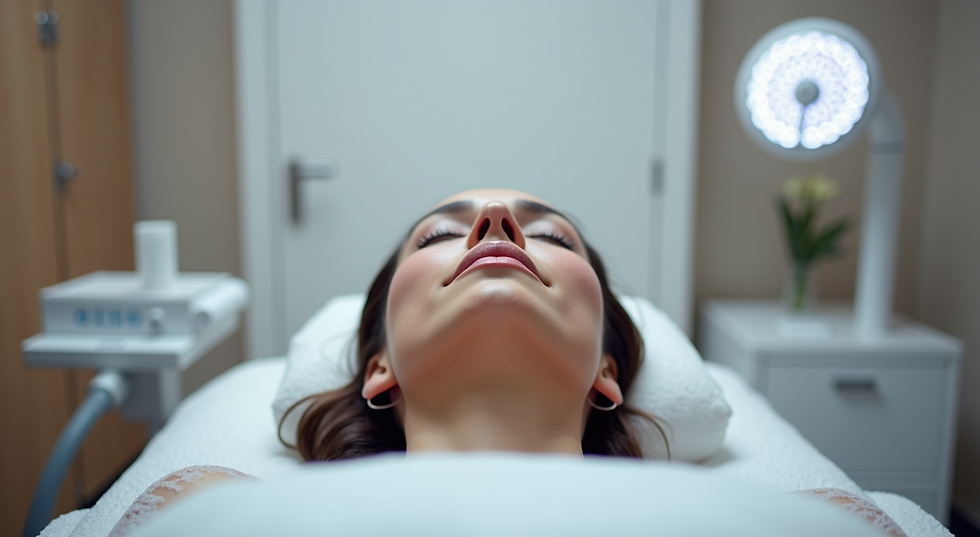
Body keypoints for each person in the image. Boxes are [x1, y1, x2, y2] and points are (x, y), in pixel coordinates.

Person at [109, 190, 906, 537]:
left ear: (607, 373)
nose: (495, 223)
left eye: (552, 234)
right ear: (378, 367)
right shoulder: (205, 509)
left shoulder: (836, 520)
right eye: (437, 235)